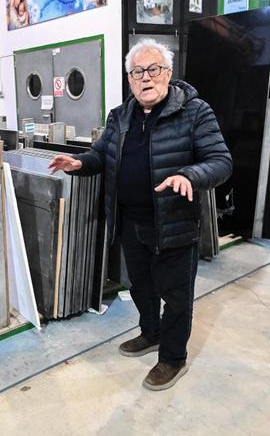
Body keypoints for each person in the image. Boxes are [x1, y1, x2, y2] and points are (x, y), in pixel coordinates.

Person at [48, 38, 232, 391]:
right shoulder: (120, 116)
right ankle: (151, 333)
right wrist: (79, 163)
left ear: (168, 72)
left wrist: (190, 175)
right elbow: (101, 156)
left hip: (174, 224)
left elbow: (221, 162)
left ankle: (173, 358)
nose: (145, 78)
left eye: (153, 69)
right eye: (137, 72)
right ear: (130, 78)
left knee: (176, 296)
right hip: (130, 222)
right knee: (141, 287)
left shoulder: (196, 112)